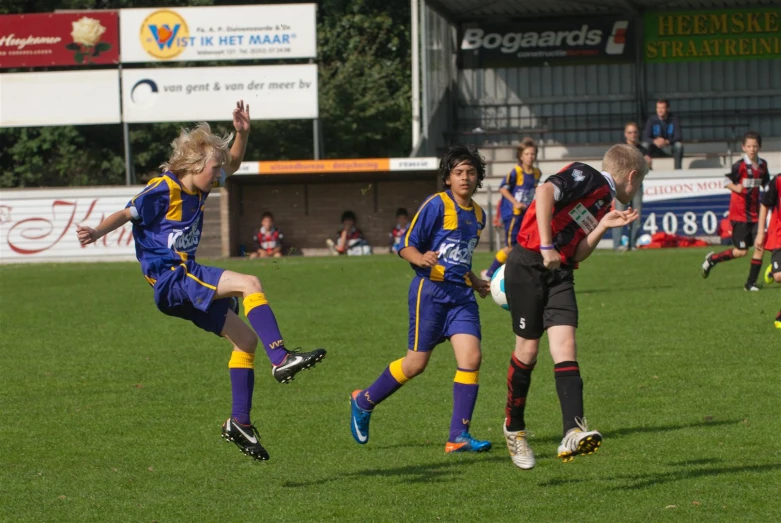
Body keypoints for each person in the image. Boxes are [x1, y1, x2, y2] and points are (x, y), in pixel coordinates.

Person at [76, 101, 326, 462]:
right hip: (173, 277)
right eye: (214, 168)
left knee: (245, 340)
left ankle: (239, 423)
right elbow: (127, 212)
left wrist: (242, 133)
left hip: (177, 288)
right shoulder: (162, 188)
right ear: (194, 166)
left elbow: (235, 164)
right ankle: (281, 357)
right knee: (250, 282)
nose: (219, 174)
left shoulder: (202, 187)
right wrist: (97, 230)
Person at [502, 144, 647, 470]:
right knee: (527, 353)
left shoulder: (601, 204)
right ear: (632, 176)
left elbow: (578, 252)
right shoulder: (587, 175)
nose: (635, 191)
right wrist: (546, 244)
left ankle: (572, 430)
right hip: (527, 264)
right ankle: (514, 428)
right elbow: (543, 192)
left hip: (561, 273)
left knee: (566, 347)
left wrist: (602, 227)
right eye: (638, 185)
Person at [349, 144, 493, 453]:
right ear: (447, 179)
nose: (465, 178)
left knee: (472, 359)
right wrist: (420, 257)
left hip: (462, 297)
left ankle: (458, 436)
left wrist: (475, 281)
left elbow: (460, 259)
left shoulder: (478, 215)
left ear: (478, 177)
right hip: (430, 293)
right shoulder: (436, 205)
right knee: (415, 364)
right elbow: (405, 245)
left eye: (470, 172)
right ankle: (363, 402)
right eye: (458, 173)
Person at [701, 131, 770, 291]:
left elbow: (766, 185)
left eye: (755, 146)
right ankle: (713, 259)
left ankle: (750, 284)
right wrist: (735, 187)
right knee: (741, 252)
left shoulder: (763, 165)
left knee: (760, 246)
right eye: (749, 146)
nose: (752, 149)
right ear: (743, 147)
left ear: (759, 147)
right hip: (739, 215)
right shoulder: (739, 166)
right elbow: (726, 180)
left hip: (756, 214)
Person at [483, 139, 541, 279]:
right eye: (527, 154)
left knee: (525, 246)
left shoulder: (536, 173)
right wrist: (515, 203)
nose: (530, 156)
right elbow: (503, 189)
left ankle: (519, 276)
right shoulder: (515, 172)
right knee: (511, 247)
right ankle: (489, 274)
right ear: (521, 156)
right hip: (513, 215)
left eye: (532, 154)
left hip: (526, 215)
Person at [613, 122, 650, 251]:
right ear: (625, 134)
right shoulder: (620, 149)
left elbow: (647, 166)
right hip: (621, 185)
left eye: (635, 132)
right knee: (619, 214)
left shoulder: (643, 149)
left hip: (637, 184)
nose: (633, 135)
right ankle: (617, 245)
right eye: (630, 132)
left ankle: (633, 244)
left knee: (636, 215)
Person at [754, 172, 781, 328]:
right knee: (778, 277)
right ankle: (773, 270)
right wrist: (760, 233)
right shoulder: (778, 181)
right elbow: (764, 204)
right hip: (779, 234)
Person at [642, 99, 684, 170]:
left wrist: (667, 141)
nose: (660, 110)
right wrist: (654, 141)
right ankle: (647, 170)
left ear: (667, 109)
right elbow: (645, 136)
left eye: (662, 108)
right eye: (658, 108)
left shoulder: (674, 119)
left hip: (669, 146)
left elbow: (678, 136)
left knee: (679, 146)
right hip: (655, 147)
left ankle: (678, 170)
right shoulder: (651, 120)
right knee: (644, 145)